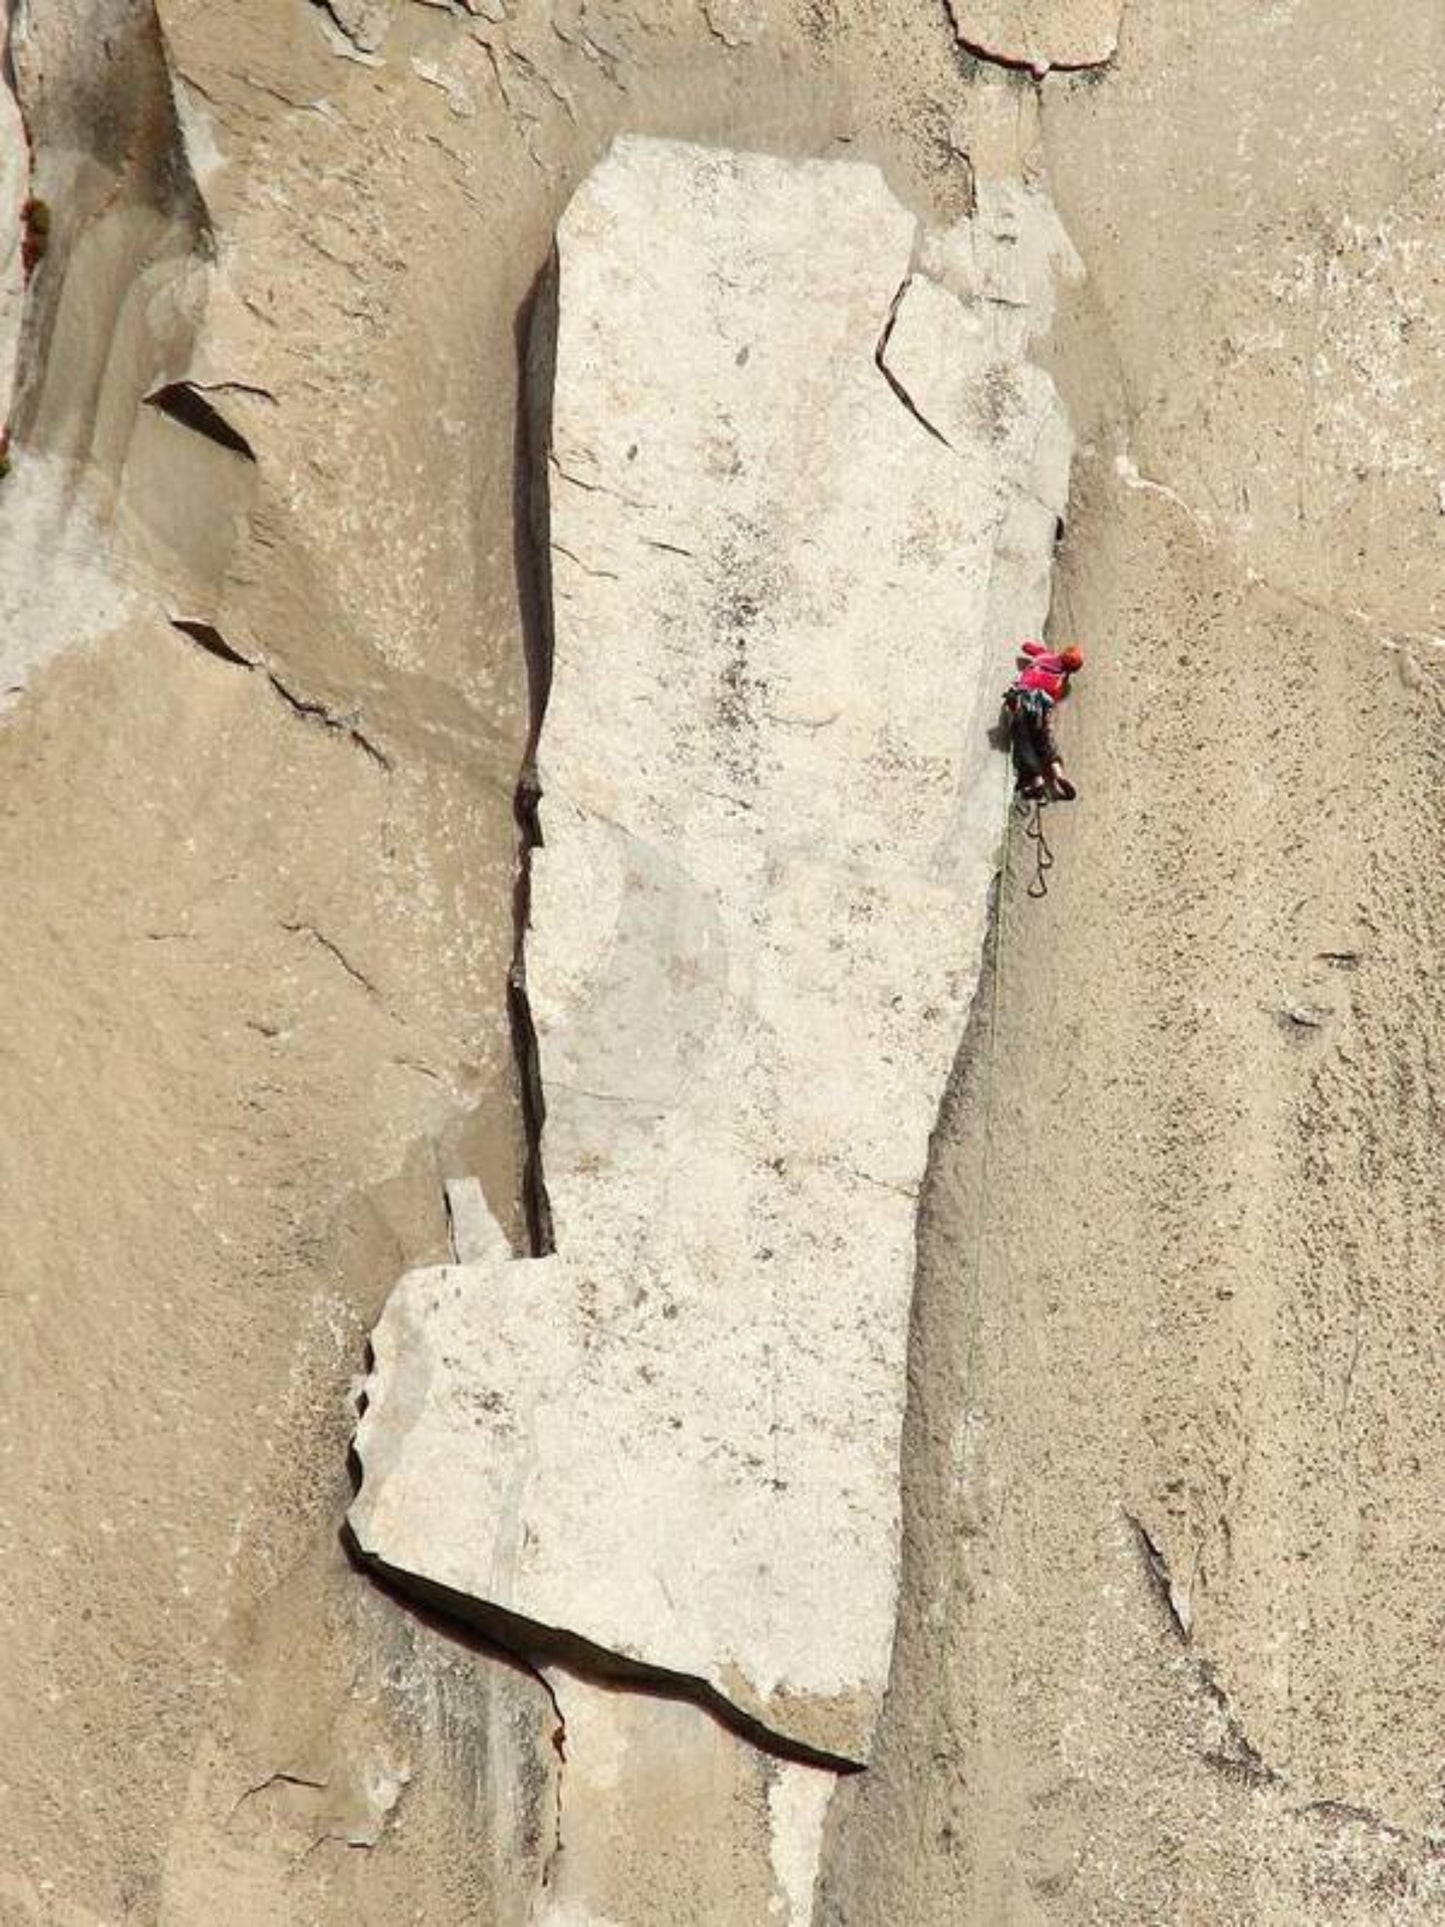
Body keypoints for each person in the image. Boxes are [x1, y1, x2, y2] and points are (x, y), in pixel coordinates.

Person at [1004, 640, 1084, 802]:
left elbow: (1025, 647)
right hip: (1039, 708)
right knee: (1044, 741)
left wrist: (1036, 657)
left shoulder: (1044, 655)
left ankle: (1036, 780)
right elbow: (1050, 705)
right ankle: (1057, 773)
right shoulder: (1058, 683)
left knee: (1024, 740)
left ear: (1063, 652)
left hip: (1022, 700)